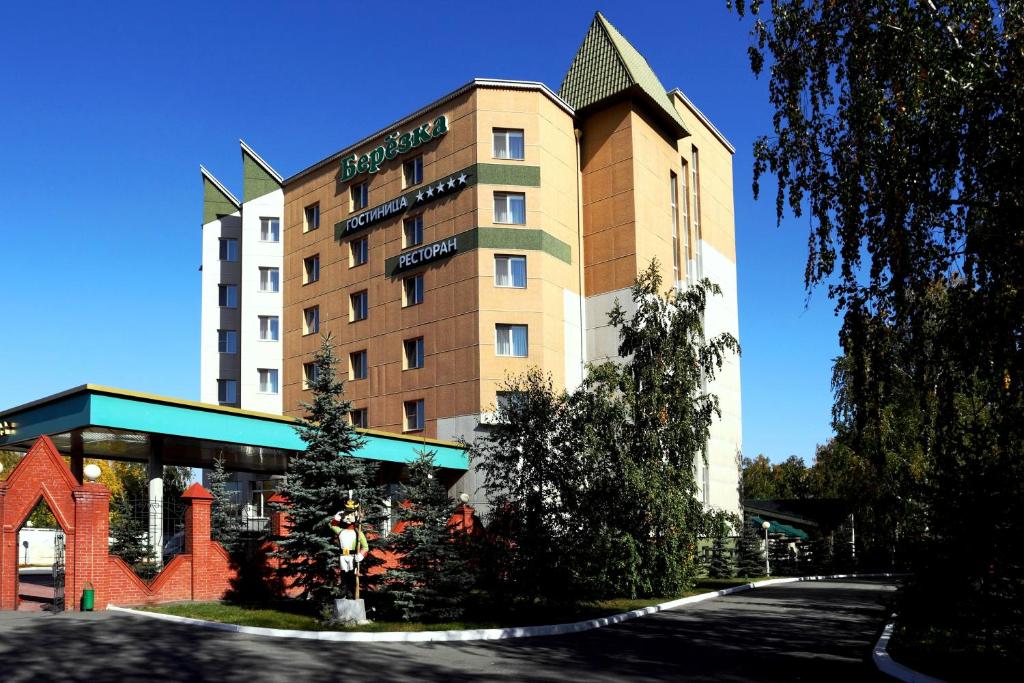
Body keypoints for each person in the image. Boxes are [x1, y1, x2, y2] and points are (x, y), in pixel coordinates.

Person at [330, 499, 368, 599]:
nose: (348, 517)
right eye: (346, 514)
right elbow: (332, 525)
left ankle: (351, 592)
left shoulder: (358, 533)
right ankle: (343, 591)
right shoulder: (341, 531)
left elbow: (365, 547)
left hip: (352, 556)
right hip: (342, 556)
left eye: (351, 514)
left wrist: (361, 555)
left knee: (351, 575)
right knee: (343, 575)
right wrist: (337, 517)